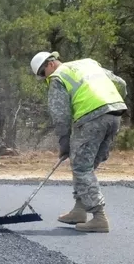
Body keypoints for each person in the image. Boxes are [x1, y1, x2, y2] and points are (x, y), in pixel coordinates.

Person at [30, 51, 127, 233]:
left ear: (50, 64)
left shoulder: (58, 77)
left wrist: (64, 140)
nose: (44, 78)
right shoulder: (87, 63)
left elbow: (60, 114)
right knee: (86, 165)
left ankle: (99, 217)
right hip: (115, 113)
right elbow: (120, 82)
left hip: (93, 117)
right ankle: (79, 210)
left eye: (43, 74)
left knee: (81, 167)